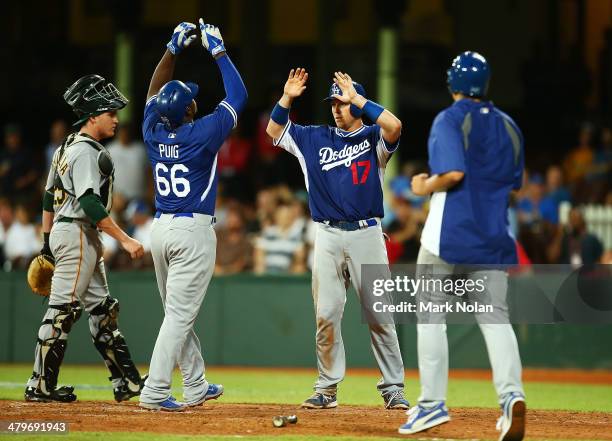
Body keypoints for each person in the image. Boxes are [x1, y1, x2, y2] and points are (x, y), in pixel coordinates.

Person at [398, 52, 526, 441]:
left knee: (431, 316)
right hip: (493, 236)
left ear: (452, 83)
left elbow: (452, 173)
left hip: (448, 235)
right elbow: (514, 185)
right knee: (496, 319)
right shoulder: (509, 126)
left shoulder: (449, 119)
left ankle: (432, 403)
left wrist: (421, 186)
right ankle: (511, 396)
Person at [266, 69, 408, 410]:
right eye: (333, 102)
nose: (335, 108)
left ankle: (393, 388)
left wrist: (357, 99)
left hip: (367, 234)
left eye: (341, 102)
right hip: (327, 235)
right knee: (326, 314)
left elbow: (395, 126)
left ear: (357, 105)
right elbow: (274, 130)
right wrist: (286, 97)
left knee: (380, 315)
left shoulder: (374, 138)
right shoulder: (314, 138)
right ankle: (327, 389)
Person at [139, 20, 247, 411]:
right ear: (189, 108)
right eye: (191, 99)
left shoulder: (152, 130)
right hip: (191, 231)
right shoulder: (201, 133)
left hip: (160, 229)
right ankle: (154, 392)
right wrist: (218, 51)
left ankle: (197, 384)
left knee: (176, 314)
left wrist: (172, 49)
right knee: (178, 318)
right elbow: (238, 95)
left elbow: (153, 92)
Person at [25, 74, 147, 403]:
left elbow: (49, 197)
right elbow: (90, 202)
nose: (116, 119)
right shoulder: (85, 151)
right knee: (62, 311)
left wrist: (48, 242)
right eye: (110, 113)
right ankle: (39, 385)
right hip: (79, 230)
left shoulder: (66, 146)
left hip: (76, 233)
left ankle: (127, 382)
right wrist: (125, 239)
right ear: (93, 116)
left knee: (102, 310)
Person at [106, 124, 149, 202]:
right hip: (117, 197)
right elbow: (104, 174)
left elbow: (149, 171)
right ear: (118, 133)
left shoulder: (140, 149)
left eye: (127, 132)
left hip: (138, 196)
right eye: (122, 132)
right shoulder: (110, 149)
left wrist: (149, 192)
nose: (124, 135)